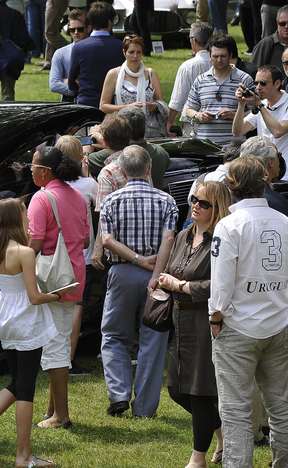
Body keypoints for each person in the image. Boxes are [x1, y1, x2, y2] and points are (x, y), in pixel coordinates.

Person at [0, 198, 67, 468]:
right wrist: (56, 295)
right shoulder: (24, 252)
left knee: (16, 382)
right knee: (26, 387)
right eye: (25, 215)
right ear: (16, 219)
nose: (29, 219)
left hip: (5, 317)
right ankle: (24, 456)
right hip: (26, 320)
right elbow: (33, 296)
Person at [209, 156, 288, 468]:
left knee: (236, 411)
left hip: (238, 326)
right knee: (281, 405)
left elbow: (220, 284)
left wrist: (215, 317)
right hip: (276, 324)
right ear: (264, 182)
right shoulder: (285, 222)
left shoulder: (229, 224)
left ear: (232, 187)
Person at [156, 181, 230, 468]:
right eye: (194, 199)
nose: (196, 205)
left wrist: (183, 285)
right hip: (179, 317)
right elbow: (173, 269)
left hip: (205, 320)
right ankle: (223, 429)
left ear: (217, 209)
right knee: (176, 390)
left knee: (200, 391)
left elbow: (223, 284)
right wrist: (166, 281)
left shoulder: (220, 240)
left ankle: (197, 459)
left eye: (204, 203)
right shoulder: (185, 235)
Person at [99, 145, 177, 417]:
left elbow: (106, 240)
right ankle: (144, 408)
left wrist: (135, 259)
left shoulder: (111, 200)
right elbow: (169, 238)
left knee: (113, 335)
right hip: (158, 277)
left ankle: (119, 393)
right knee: (153, 341)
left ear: (121, 170)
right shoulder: (166, 201)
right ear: (149, 168)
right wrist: (155, 275)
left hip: (122, 273)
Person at [27, 147, 90, 429]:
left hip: (51, 279)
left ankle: (60, 415)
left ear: (45, 171)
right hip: (74, 275)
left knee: (55, 346)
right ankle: (53, 409)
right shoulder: (78, 196)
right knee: (61, 340)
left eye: (33, 165)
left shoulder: (41, 198)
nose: (30, 170)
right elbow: (86, 241)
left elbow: (35, 244)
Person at [231, 64, 288, 181]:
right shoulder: (262, 105)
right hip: (264, 175)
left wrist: (260, 106)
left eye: (263, 83)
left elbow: (278, 131)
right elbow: (237, 131)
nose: (258, 87)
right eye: (256, 83)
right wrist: (241, 104)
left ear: (277, 84)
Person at [184, 33, 254, 143]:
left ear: (231, 55)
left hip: (234, 146)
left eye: (223, 56)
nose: (219, 60)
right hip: (206, 144)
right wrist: (200, 116)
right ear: (209, 56)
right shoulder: (200, 80)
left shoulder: (245, 80)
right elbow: (189, 110)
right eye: (215, 56)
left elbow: (255, 112)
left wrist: (234, 115)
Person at [67, 2, 124, 106]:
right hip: (113, 105)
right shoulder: (121, 47)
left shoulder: (79, 48)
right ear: (110, 22)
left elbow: (71, 83)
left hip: (87, 103)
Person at [99, 34, 163, 119]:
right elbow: (103, 107)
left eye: (139, 52)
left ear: (142, 53)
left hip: (148, 128)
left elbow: (161, 104)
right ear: (124, 52)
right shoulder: (114, 74)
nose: (135, 56)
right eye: (131, 52)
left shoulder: (151, 74)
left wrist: (155, 107)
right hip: (122, 126)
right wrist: (127, 107)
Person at [168, 22, 215, 134]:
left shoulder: (188, 66)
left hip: (193, 124)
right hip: (220, 122)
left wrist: (169, 121)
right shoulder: (223, 62)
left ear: (194, 40)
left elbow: (178, 99)